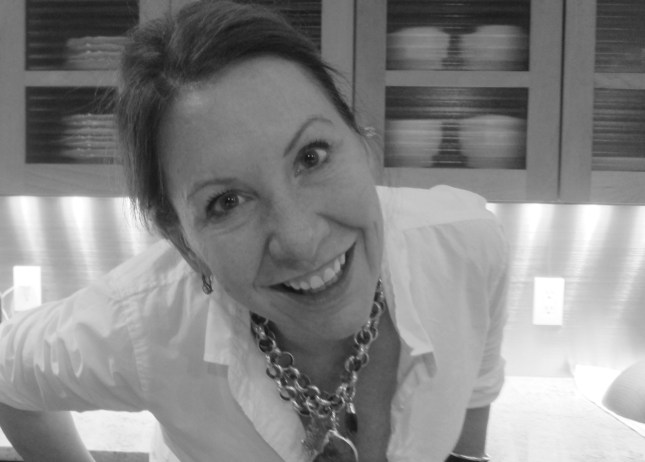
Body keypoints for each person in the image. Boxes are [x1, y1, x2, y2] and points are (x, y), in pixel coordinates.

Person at [0, 1, 508, 461]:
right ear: (183, 243)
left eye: (312, 157)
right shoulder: (143, 321)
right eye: (226, 203)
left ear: (365, 146)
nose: (300, 240)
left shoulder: (466, 248)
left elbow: (468, 424)